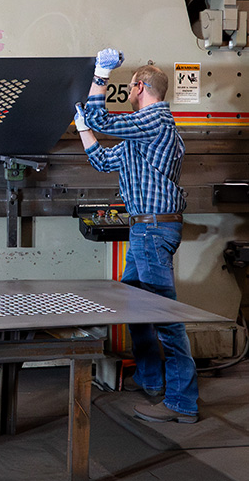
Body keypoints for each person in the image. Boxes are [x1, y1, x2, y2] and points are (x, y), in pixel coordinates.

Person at [74, 48, 199, 424]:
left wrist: (99, 76)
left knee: (164, 315)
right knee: (135, 305)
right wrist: (81, 127)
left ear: (140, 87)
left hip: (153, 228)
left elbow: (100, 117)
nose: (124, 92)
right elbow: (101, 160)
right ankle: (151, 381)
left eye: (127, 87)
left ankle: (182, 403)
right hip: (144, 229)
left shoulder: (154, 122)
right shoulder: (141, 135)